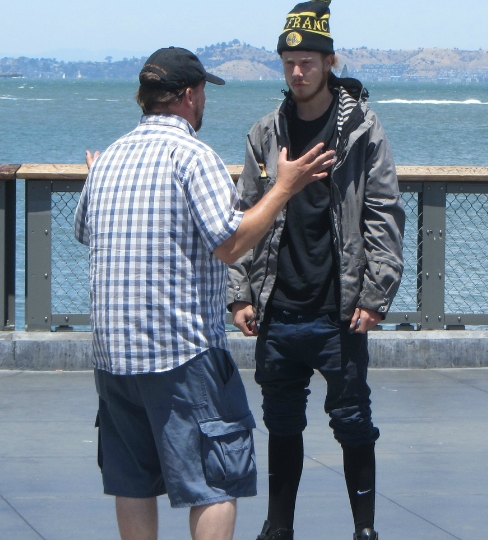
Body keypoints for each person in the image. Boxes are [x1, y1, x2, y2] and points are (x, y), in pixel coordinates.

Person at [74, 46, 336, 540]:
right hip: (180, 352)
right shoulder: (193, 155)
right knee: (215, 479)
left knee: (131, 482)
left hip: (112, 358)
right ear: (191, 96)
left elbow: (87, 230)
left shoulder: (108, 160)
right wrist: (285, 187)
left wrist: (99, 178)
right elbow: (231, 241)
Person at [228, 0, 405, 540]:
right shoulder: (266, 132)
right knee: (280, 425)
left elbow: (384, 212)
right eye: (289, 62)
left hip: (340, 309)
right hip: (278, 310)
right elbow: (243, 215)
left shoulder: (361, 130)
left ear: (330, 61)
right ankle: (278, 530)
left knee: (353, 423)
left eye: (308, 60)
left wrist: (376, 296)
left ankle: (365, 531)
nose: (298, 71)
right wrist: (240, 293)